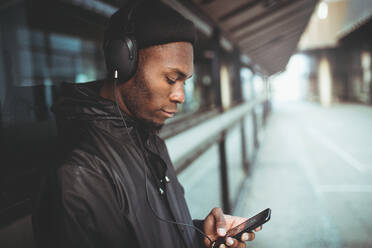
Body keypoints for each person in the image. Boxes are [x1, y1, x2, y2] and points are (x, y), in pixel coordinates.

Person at [32, 1, 262, 248]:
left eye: (185, 82)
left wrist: (201, 237)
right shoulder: (80, 175)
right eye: (172, 79)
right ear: (122, 63)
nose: (181, 96)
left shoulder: (150, 139)